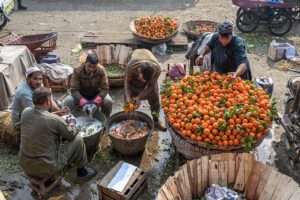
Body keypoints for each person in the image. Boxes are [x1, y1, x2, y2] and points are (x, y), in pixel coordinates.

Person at [19, 87, 96, 181]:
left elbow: (41, 115)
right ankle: (82, 173)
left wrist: (58, 112)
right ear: (48, 102)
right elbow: (72, 133)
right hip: (46, 166)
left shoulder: (25, 112)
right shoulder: (53, 120)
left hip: (25, 163)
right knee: (78, 139)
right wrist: (72, 122)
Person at [124, 49, 167, 131]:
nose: (143, 82)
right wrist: (128, 97)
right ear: (139, 70)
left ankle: (156, 120)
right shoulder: (131, 67)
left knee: (154, 96)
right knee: (128, 102)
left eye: (146, 80)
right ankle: (129, 121)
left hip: (148, 58)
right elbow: (127, 82)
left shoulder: (157, 69)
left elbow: (151, 85)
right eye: (142, 78)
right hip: (135, 60)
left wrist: (139, 97)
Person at [64, 54, 113, 118]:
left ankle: (104, 120)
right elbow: (74, 89)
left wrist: (96, 101)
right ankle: (74, 120)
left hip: (96, 94)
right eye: (89, 66)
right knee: (68, 100)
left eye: (94, 67)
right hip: (81, 95)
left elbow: (105, 88)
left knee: (108, 101)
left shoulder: (101, 70)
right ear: (85, 63)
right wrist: (83, 102)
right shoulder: (77, 70)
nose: (91, 69)